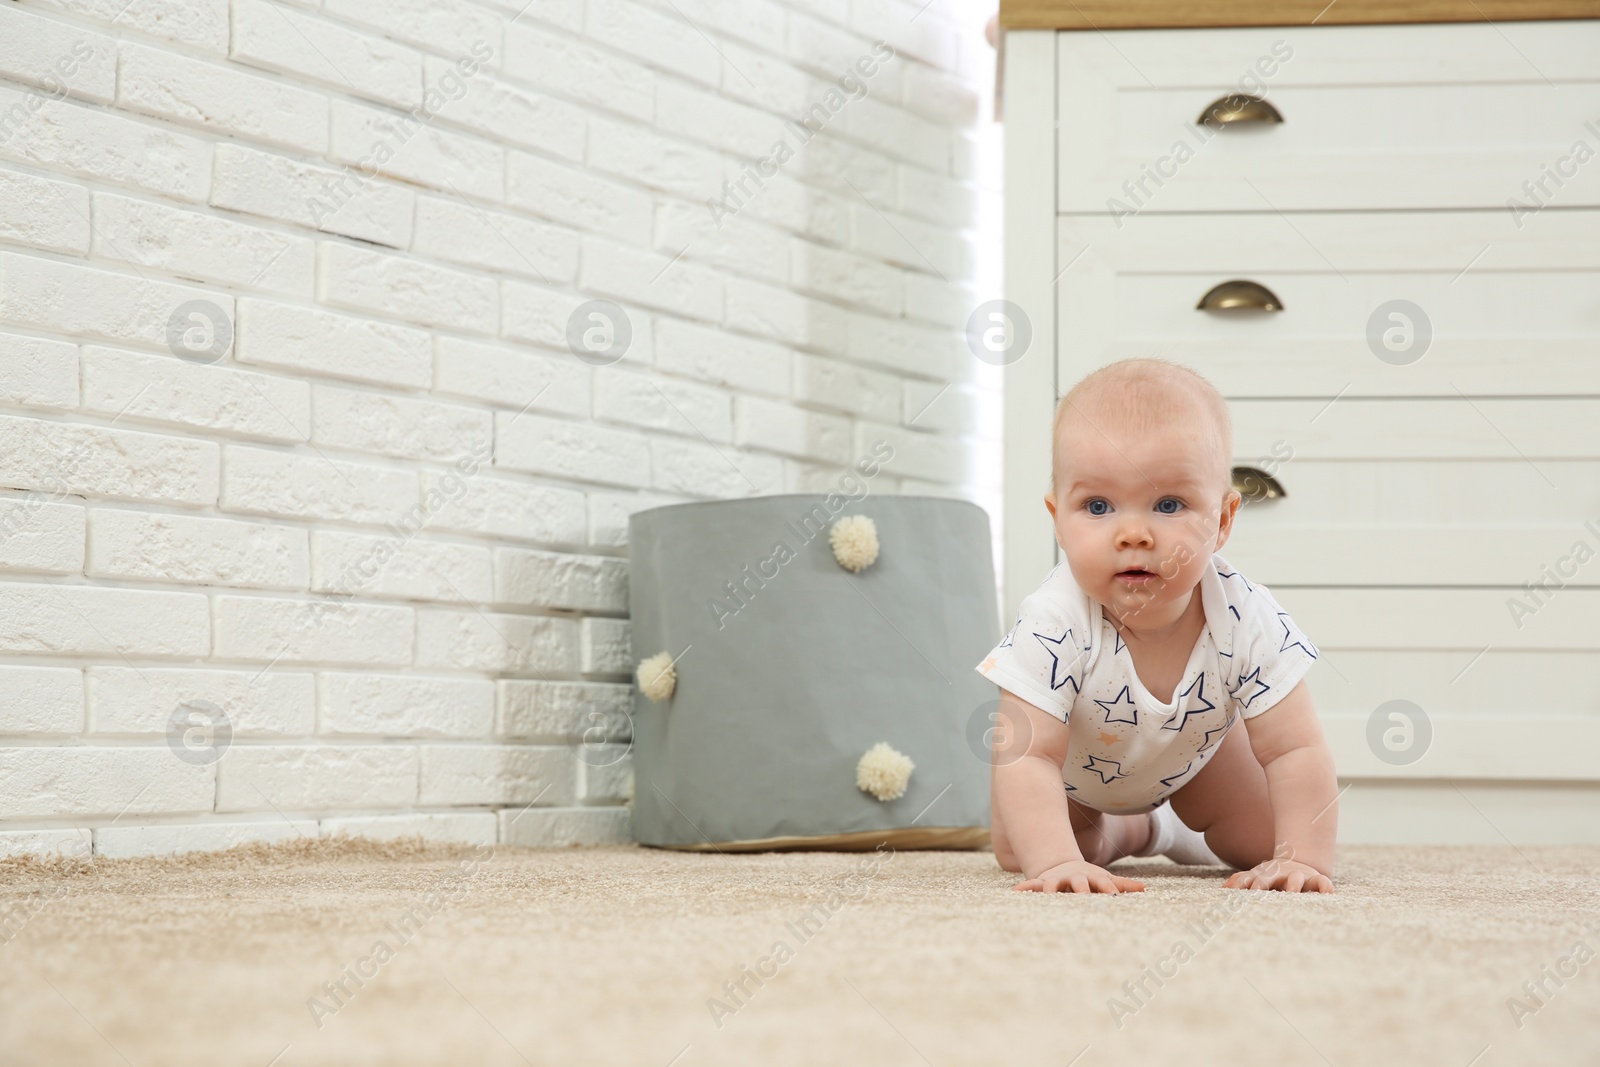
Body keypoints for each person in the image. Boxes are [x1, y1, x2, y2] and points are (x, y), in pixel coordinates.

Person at [975, 358, 1338, 894]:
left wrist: (1303, 858)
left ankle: (1185, 813)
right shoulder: (1053, 620)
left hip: (1198, 754)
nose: (1134, 533)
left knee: (1265, 843)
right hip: (1073, 779)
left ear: (1222, 521)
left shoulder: (1245, 615)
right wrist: (1055, 863)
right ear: (1058, 519)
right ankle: (1138, 828)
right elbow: (1028, 753)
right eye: (1098, 506)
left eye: (1168, 504)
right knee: (1028, 853)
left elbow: (1296, 749)